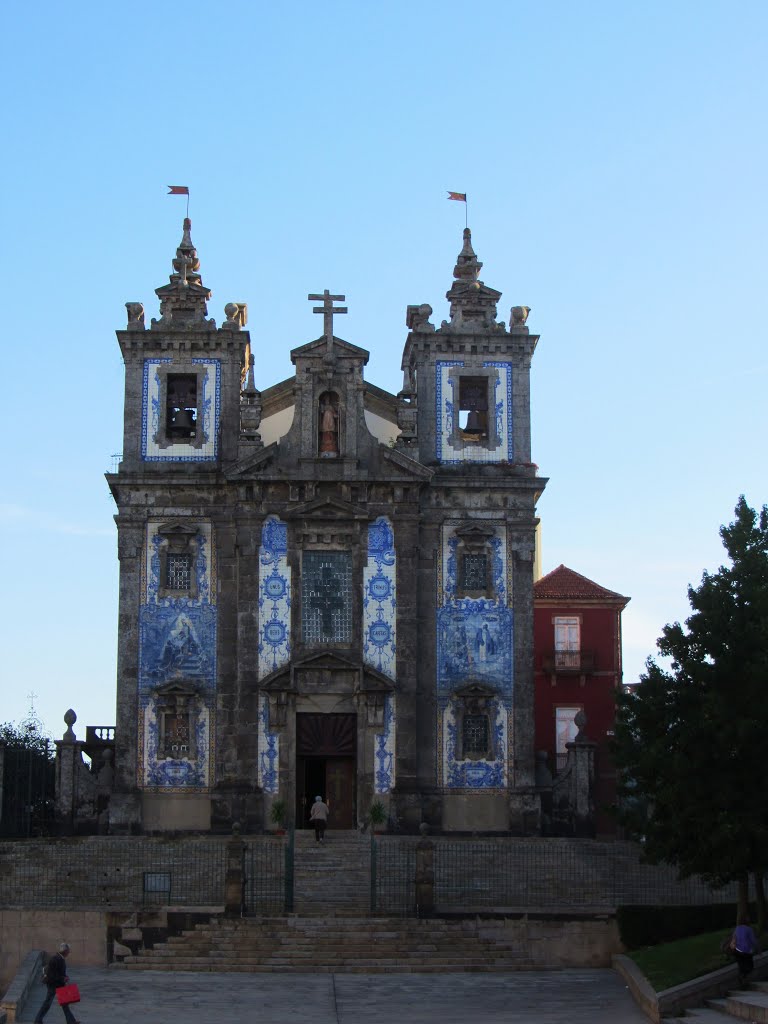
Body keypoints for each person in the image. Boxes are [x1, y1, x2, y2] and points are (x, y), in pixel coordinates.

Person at [34, 942, 79, 1024]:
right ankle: (37, 1020)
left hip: (59, 984)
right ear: (65, 951)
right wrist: (63, 978)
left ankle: (71, 1021)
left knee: (65, 1004)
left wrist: (65, 977)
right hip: (53, 985)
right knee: (47, 1003)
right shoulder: (56, 959)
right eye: (68, 950)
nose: (69, 952)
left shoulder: (60, 958)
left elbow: (59, 972)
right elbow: (51, 975)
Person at [729, 918, 760, 986]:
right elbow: (753, 941)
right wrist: (758, 949)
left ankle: (742, 980)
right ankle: (743, 977)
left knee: (741, 966)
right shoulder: (749, 929)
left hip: (737, 951)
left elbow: (734, 938)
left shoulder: (737, 928)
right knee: (750, 967)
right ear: (747, 922)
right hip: (746, 952)